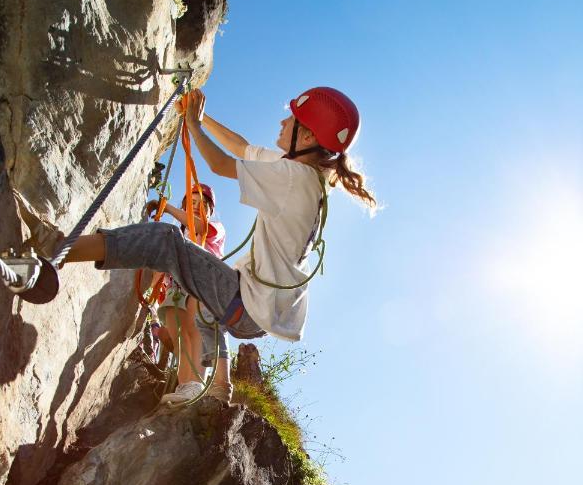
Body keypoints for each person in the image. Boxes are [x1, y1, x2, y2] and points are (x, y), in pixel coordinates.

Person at [64, 86, 376, 405]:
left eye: (292, 119)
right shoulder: (308, 177)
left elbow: (221, 164)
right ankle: (212, 388)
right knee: (200, 304)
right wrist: (200, 116)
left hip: (249, 304)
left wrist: (195, 126)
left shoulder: (292, 177)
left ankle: (57, 252)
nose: (283, 122)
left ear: (307, 137)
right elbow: (241, 147)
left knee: (165, 241)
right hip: (259, 308)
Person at [148, 184, 228, 403]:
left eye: (202, 205)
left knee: (195, 331)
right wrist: (151, 291)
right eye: (191, 204)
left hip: (201, 282)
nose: (196, 208)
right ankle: (186, 387)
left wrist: (168, 209)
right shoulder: (177, 236)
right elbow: (163, 263)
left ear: (210, 211)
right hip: (177, 286)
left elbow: (200, 228)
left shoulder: (216, 228)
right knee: (179, 336)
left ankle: (196, 383)